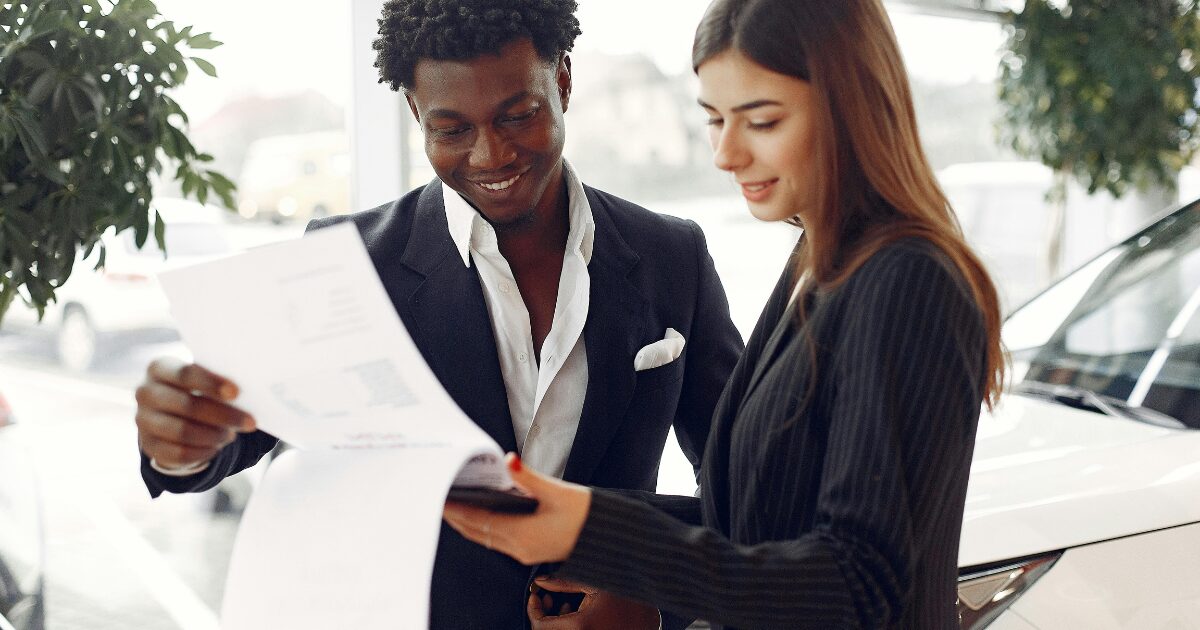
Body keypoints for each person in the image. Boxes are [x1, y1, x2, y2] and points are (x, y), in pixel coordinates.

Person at [131, 1, 743, 628]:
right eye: (452, 131)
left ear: (562, 78)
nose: (490, 156)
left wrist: (648, 583)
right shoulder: (349, 264)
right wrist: (184, 442)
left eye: (519, 116)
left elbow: (748, 487)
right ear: (416, 113)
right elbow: (236, 434)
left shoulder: (672, 257)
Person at [443, 0, 1008, 628]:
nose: (725, 154)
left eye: (760, 122)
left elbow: (856, 586)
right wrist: (592, 542)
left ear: (852, 109)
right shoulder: (817, 260)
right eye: (714, 120)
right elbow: (752, 523)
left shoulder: (908, 279)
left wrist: (591, 530)